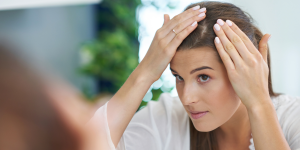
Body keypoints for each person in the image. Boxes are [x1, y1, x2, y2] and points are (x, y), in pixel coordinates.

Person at [89, 1, 300, 150]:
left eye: (203, 77)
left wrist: (259, 103)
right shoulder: (167, 118)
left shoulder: (293, 119)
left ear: (244, 69)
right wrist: (144, 73)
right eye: (178, 77)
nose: (187, 98)